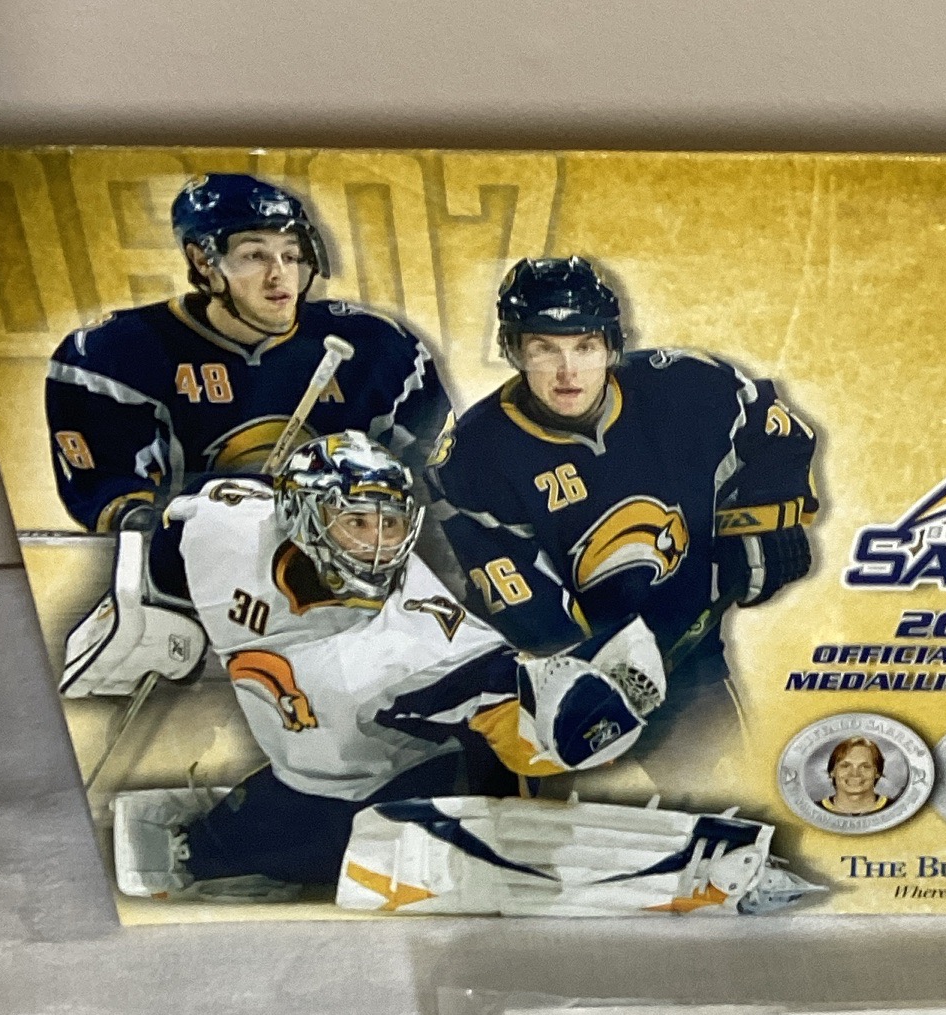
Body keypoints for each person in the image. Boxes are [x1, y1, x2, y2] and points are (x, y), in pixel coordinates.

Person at [427, 256, 820, 783]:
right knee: (567, 832)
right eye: (544, 348)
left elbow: (777, 434)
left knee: (725, 810)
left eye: (585, 346)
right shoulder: (473, 456)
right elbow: (519, 602)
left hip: (692, 666)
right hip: (556, 689)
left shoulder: (685, 387)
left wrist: (763, 527)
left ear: (612, 345)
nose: (568, 371)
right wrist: (596, 679)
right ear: (513, 349)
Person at [91, 431, 521, 898]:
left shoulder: (414, 627)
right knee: (223, 848)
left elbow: (498, 689)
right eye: (356, 521)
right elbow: (185, 517)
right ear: (300, 513)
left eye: (391, 523)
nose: (376, 545)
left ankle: (490, 831)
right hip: (305, 767)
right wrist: (165, 607)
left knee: (328, 836)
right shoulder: (232, 527)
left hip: (380, 775)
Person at [44, 174, 450, 536]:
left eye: (290, 255)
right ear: (203, 261)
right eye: (255, 256)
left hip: (354, 559)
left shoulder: (377, 345)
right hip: (193, 571)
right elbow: (117, 497)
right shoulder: (119, 352)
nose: (278, 275)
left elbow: (438, 470)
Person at [819, 736, 891, 816]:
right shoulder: (815, 810)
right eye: (845, 766)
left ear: (877, 772)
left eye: (865, 766)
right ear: (832, 772)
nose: (855, 773)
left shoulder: (895, 809)